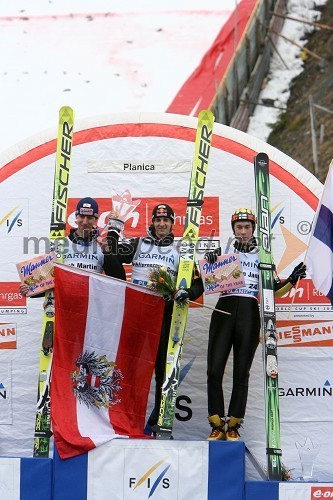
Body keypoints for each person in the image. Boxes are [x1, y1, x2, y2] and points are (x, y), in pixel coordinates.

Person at [205, 208, 306, 441]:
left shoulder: (263, 256)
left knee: (242, 372)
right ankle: (216, 422)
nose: (242, 232)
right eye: (238, 228)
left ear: (253, 229)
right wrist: (209, 264)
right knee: (214, 370)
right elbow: (206, 280)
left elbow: (274, 290)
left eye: (246, 227)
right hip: (224, 310)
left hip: (249, 313)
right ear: (233, 230)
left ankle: (233, 424)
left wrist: (292, 279)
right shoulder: (224, 251)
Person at [106, 203, 204, 432]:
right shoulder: (138, 243)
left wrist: (187, 293)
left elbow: (198, 283)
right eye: (158, 220)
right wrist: (113, 230)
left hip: (165, 313)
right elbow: (110, 257)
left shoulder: (182, 249)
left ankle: (160, 422)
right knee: (131, 369)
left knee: (163, 369)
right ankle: (125, 420)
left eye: (166, 220)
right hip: (138, 313)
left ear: (171, 224)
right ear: (152, 222)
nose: (161, 224)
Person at [19, 197, 126, 305]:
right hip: (65, 309)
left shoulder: (101, 246)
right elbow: (49, 282)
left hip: (91, 310)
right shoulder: (60, 245)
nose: (85, 222)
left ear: (95, 219)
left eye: (89, 217)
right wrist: (31, 290)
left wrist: (108, 252)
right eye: (82, 216)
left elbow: (119, 280)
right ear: (76, 216)